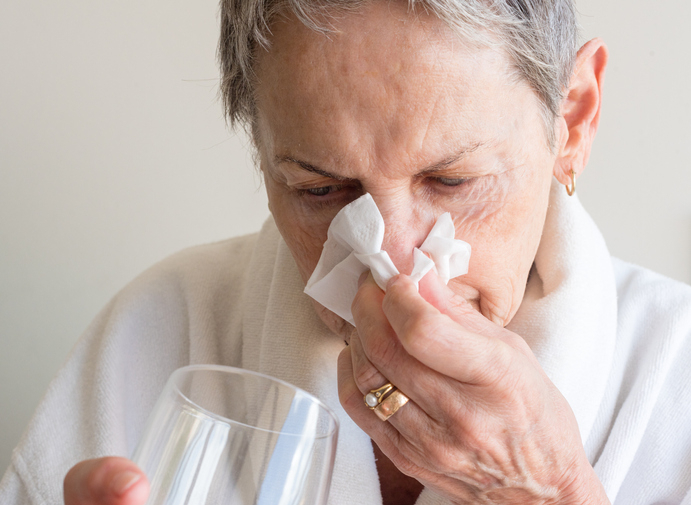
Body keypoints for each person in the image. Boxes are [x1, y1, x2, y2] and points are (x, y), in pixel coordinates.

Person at [2, 0, 691, 504]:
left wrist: (555, 493)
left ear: (572, 118)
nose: (389, 261)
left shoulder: (674, 379)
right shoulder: (161, 333)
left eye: (452, 181)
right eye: (321, 189)